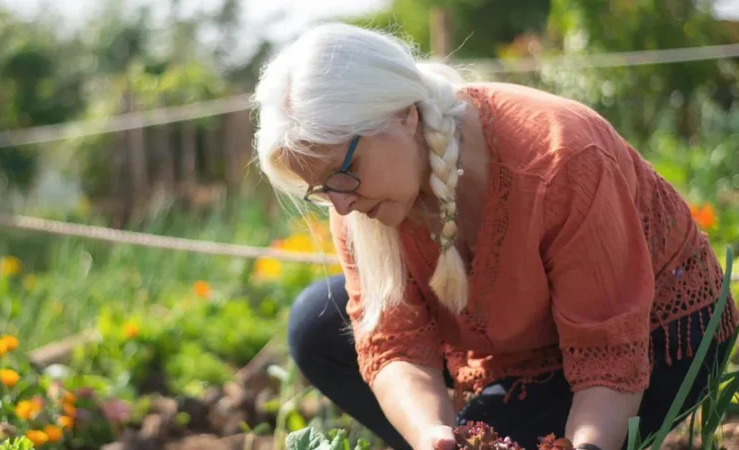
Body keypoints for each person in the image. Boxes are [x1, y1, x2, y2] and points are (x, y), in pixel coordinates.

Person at [250, 22, 738, 450]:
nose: (339, 204)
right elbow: (394, 344)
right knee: (316, 326)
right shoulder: (354, 196)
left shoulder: (561, 157)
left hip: (653, 335)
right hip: (523, 338)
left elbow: (607, 349)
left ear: (404, 115)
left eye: (346, 171)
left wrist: (583, 447)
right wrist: (430, 434)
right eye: (321, 189)